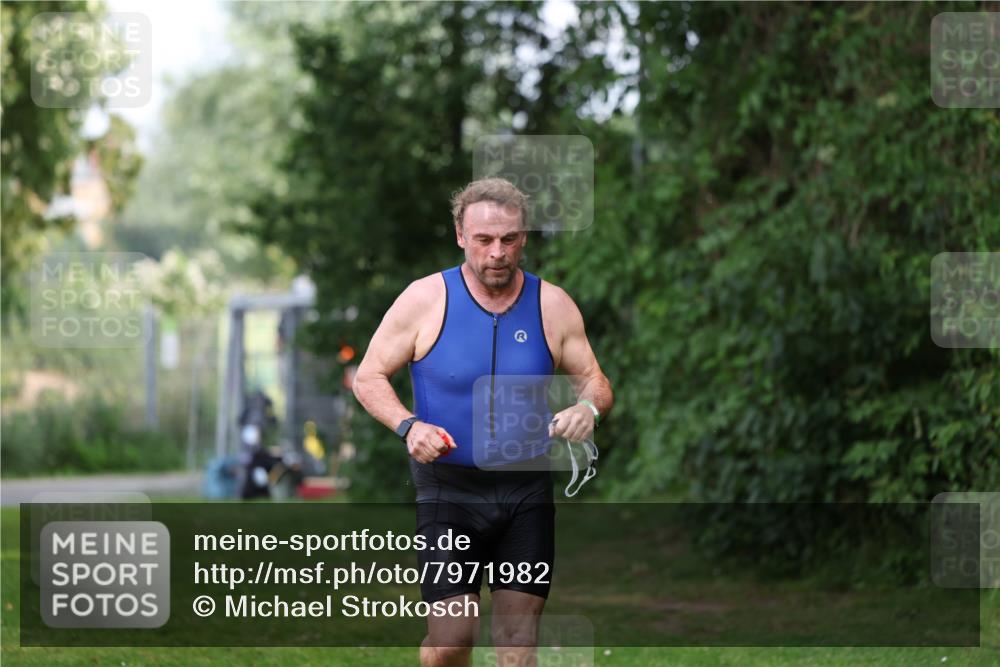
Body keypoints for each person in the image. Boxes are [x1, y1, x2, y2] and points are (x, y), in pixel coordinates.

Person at [353, 177, 613, 667]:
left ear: (524, 238)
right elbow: (368, 377)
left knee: (517, 644)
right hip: (448, 493)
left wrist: (588, 409)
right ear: (460, 235)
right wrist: (409, 426)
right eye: (484, 239)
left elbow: (595, 382)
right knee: (453, 642)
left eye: (509, 239)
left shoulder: (552, 305)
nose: (497, 252)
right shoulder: (425, 299)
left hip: (525, 492)